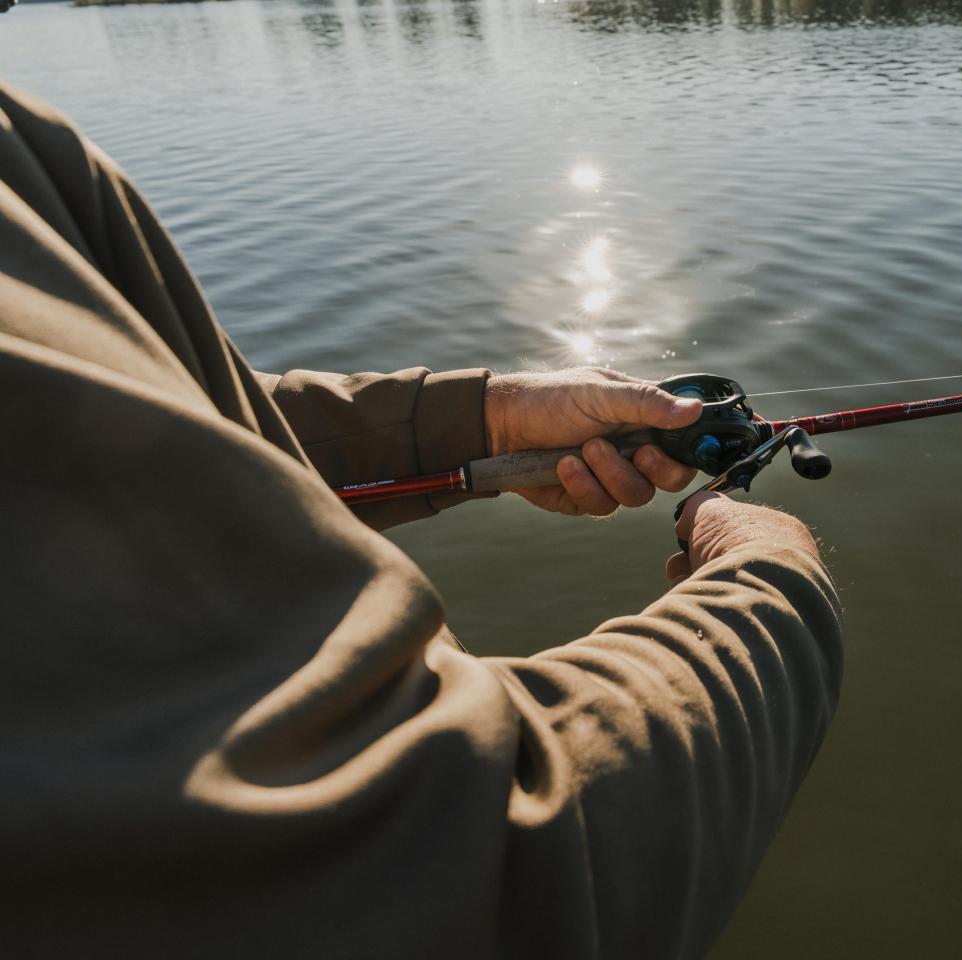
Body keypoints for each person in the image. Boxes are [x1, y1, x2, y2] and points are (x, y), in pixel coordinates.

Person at [0, 82, 843, 957]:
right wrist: (772, 580)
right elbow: (467, 865)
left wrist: (490, 422)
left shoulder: (23, 154)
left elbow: (154, 436)